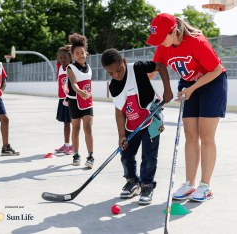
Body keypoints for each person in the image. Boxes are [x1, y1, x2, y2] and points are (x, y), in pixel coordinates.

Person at [146, 13, 228, 202]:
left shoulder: (197, 42)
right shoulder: (163, 45)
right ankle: (189, 184)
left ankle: (205, 186)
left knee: (206, 135)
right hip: (189, 84)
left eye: (161, 38)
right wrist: (138, 92)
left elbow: (216, 69)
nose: (160, 43)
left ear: (173, 31)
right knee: (190, 135)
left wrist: (192, 88)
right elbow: (155, 68)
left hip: (212, 83)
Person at [101, 48, 173, 205]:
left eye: (119, 70)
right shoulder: (114, 86)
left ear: (124, 62)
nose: (117, 75)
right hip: (131, 124)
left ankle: (147, 186)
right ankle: (132, 182)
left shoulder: (138, 68)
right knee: (126, 154)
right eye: (111, 74)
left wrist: (167, 89)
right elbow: (119, 112)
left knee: (149, 157)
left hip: (151, 119)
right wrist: (121, 135)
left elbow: (160, 66)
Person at [66, 33, 94, 168]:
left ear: (86, 54)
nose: (80, 55)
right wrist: (79, 91)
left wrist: (84, 94)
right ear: (72, 56)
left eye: (82, 52)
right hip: (74, 101)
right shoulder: (70, 67)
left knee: (88, 128)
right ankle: (76, 154)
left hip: (87, 102)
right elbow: (73, 83)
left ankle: (90, 156)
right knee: (76, 129)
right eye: (76, 53)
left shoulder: (89, 68)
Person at [54, 45, 74, 155]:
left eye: (65, 58)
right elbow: (59, 53)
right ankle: (66, 145)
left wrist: (70, 48)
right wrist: (62, 49)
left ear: (70, 58)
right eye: (61, 58)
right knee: (66, 123)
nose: (62, 60)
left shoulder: (72, 67)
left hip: (71, 99)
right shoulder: (59, 67)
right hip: (62, 99)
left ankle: (73, 146)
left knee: (73, 123)